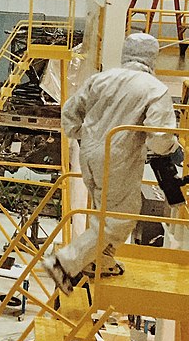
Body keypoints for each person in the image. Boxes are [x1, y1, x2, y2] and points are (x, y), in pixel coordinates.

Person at [43, 33, 180, 294]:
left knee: (103, 210)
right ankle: (64, 263)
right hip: (118, 159)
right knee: (120, 218)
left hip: (89, 154)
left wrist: (81, 136)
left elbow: (70, 111)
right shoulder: (154, 88)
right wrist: (173, 148)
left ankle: (101, 260)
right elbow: (160, 138)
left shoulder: (101, 79)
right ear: (152, 57)